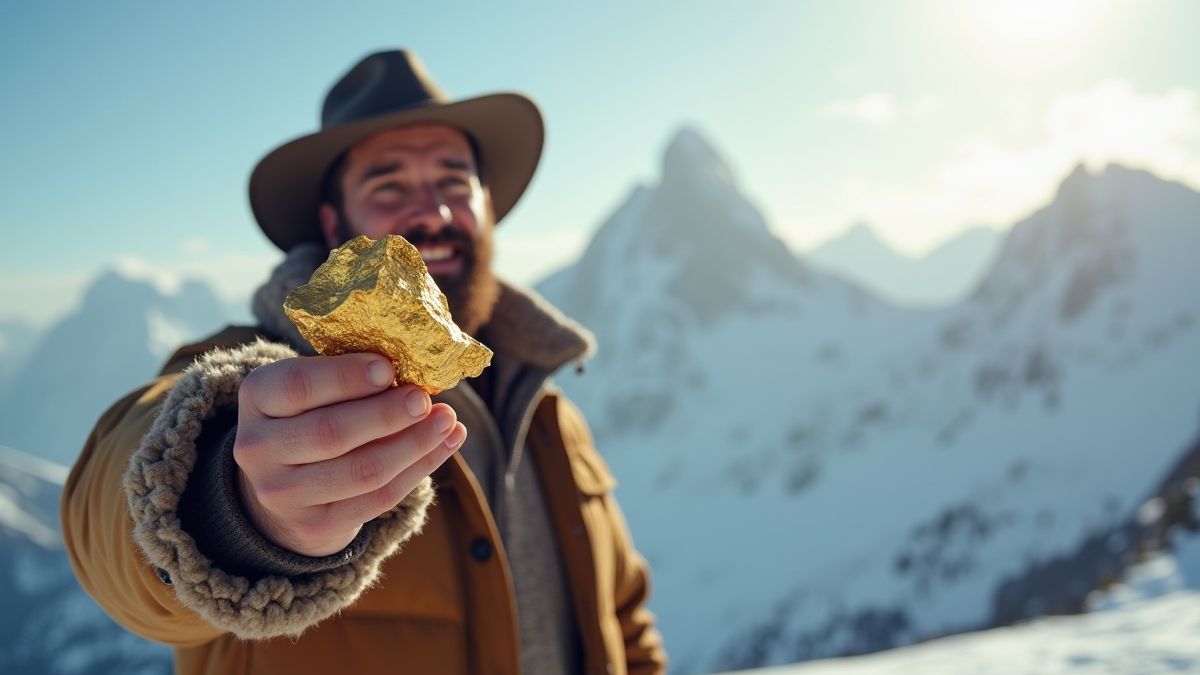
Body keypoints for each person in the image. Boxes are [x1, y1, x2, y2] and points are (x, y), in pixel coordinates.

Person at [62, 49, 667, 675]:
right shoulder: (248, 378)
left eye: (455, 183)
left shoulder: (545, 410)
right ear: (333, 223)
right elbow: (110, 512)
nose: (431, 214)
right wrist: (237, 510)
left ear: (488, 207)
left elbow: (622, 618)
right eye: (390, 186)